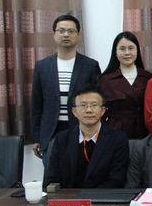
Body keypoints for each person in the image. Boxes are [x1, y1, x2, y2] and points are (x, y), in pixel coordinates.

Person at [31, 14, 101, 162]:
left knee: (81, 171)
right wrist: (36, 137)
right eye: (61, 31)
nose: (66, 35)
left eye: (71, 31)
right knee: (52, 173)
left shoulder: (90, 66)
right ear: (54, 34)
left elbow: (97, 101)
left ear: (78, 35)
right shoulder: (42, 66)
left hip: (82, 129)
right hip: (50, 132)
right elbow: (36, 104)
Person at [44, 84, 129, 188]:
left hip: (101, 197)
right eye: (83, 105)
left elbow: (116, 181)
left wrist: (89, 197)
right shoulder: (61, 139)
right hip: (68, 197)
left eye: (94, 105)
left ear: (103, 110)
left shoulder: (117, 139)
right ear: (74, 111)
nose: (89, 110)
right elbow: (52, 180)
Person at [97, 32, 152, 139]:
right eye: (122, 49)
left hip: (143, 131)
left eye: (131, 48)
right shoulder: (105, 80)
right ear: (115, 52)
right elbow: (99, 111)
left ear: (137, 51)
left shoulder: (148, 78)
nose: (127, 53)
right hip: (115, 131)